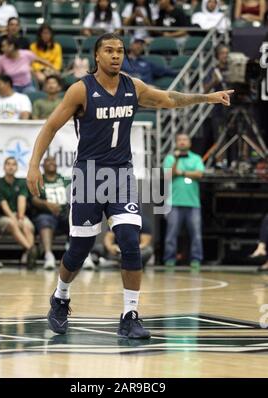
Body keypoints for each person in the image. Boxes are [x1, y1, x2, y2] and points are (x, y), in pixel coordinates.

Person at [26, 33, 233, 338]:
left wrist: (208, 98)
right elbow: (50, 126)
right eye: (109, 51)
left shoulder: (132, 86)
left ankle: (130, 314)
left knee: (130, 242)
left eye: (120, 51)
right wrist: (34, 165)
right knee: (79, 250)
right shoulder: (80, 90)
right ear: (97, 56)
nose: (115, 55)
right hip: (88, 176)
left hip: (121, 174)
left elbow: (168, 99)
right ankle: (60, 297)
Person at [163, 133, 205, 270]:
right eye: (179, 140)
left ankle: (196, 259)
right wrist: (176, 161)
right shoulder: (170, 158)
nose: (182, 142)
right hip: (173, 202)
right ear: (175, 142)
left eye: (184, 140)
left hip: (193, 203)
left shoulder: (196, 158)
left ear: (190, 143)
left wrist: (182, 173)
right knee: (171, 234)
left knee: (196, 234)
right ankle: (169, 259)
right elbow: (169, 174)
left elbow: (199, 174)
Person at [0, 157, 37, 268]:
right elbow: (4, 205)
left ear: (17, 168)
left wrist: (21, 218)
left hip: (19, 214)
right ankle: (31, 249)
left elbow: (22, 200)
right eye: (8, 164)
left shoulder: (22, 182)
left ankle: (29, 256)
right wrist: (13, 218)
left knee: (27, 225)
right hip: (4, 217)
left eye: (13, 164)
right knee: (13, 224)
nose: (10, 166)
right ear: (4, 167)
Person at [31, 156, 71, 270]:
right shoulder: (39, 180)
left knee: (75, 218)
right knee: (44, 220)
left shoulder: (64, 180)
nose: (51, 163)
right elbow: (33, 199)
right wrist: (47, 204)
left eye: (53, 160)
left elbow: (74, 195)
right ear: (43, 166)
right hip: (46, 214)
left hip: (64, 214)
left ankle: (78, 253)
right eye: (48, 161)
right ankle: (49, 255)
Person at [89, 215, 153, 269]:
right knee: (98, 248)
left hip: (134, 251)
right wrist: (110, 247)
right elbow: (108, 238)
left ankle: (119, 262)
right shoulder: (116, 220)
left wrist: (130, 249)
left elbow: (144, 243)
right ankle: (121, 262)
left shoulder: (143, 221)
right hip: (117, 251)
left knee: (148, 250)